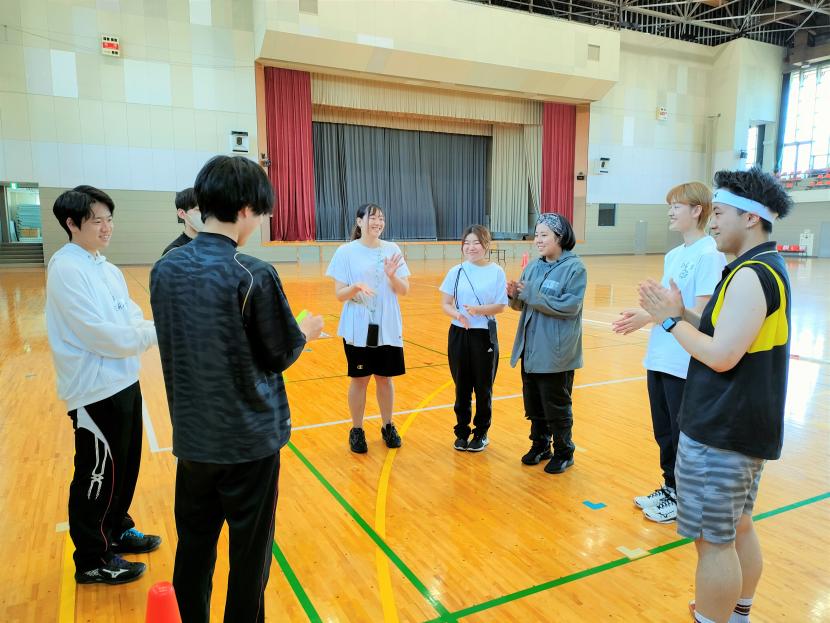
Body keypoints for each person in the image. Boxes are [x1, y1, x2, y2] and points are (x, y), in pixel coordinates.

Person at [150, 156, 324, 623]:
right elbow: (280, 353)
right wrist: (306, 329)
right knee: (249, 556)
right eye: (262, 213)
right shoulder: (252, 273)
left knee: (195, 547)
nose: (262, 223)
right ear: (246, 208)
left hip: (193, 439)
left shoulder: (164, 270)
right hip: (248, 442)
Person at [638, 167, 793, 623]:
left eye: (721, 213)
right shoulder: (756, 268)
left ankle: (714, 616)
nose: (715, 222)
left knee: (713, 540)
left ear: (750, 219)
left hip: (724, 428)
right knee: (736, 525)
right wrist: (680, 311)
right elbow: (722, 329)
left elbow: (722, 354)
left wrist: (671, 322)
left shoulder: (751, 274)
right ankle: (737, 611)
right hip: (740, 425)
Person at [45, 185, 161, 585]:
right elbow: (100, 334)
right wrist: (155, 334)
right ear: (72, 223)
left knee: (125, 468)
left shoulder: (106, 268)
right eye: (98, 220)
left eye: (110, 218)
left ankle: (116, 529)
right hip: (93, 390)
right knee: (96, 474)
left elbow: (130, 317)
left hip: (124, 379)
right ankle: (92, 559)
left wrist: (153, 329)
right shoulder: (66, 268)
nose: (107, 227)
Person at [612, 182, 726, 523]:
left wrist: (658, 312)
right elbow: (668, 307)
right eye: (670, 205)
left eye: (678, 205)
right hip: (660, 355)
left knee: (682, 434)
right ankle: (670, 487)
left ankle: (686, 498)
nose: (670, 211)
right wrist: (645, 313)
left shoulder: (709, 254)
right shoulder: (675, 255)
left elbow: (701, 314)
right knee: (663, 430)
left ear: (697, 210)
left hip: (684, 359)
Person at [326, 203, 410, 453]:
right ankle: (357, 429)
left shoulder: (392, 249)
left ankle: (387, 425)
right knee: (360, 379)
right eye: (372, 217)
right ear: (359, 221)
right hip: (359, 325)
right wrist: (356, 287)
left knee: (385, 378)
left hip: (385, 325)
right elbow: (340, 294)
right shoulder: (345, 252)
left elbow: (404, 290)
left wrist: (392, 275)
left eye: (381, 218)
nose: (378, 222)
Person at [508, 213, 586, 474]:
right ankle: (541, 444)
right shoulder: (533, 266)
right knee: (534, 403)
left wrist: (530, 293)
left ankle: (565, 451)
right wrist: (514, 296)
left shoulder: (575, 268)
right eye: (536, 234)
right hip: (530, 349)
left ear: (560, 237)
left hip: (556, 353)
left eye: (544, 235)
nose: (537, 240)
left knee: (556, 405)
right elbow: (523, 304)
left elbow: (570, 307)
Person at [439, 225, 508, 452]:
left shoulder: (497, 271)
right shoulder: (455, 271)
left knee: (483, 386)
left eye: (476, 243)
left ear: (486, 245)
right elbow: (445, 304)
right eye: (467, 243)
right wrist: (457, 314)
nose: (471, 247)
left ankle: (481, 433)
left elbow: (501, 305)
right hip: (459, 333)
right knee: (462, 386)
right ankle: (461, 431)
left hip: (484, 335)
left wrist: (479, 310)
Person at [162, 187, 202, 256]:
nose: (206, 215)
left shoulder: (217, 246)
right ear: (182, 214)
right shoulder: (173, 253)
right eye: (199, 210)